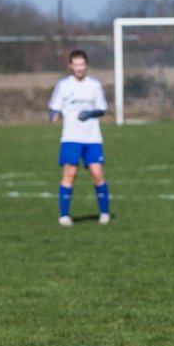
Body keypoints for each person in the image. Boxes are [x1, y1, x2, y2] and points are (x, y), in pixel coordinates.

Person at [48, 49, 110, 226]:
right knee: (70, 174)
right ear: (70, 66)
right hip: (71, 137)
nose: (79, 68)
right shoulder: (64, 85)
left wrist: (89, 114)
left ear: (86, 65)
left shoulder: (94, 85)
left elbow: (102, 108)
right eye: (76, 65)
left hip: (92, 138)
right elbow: (54, 106)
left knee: (97, 174)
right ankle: (64, 216)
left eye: (82, 64)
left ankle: (104, 213)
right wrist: (53, 114)